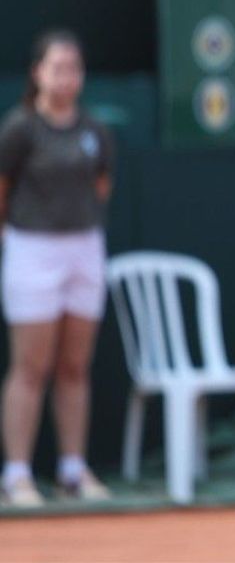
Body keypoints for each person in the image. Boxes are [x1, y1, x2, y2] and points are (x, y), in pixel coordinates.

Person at [0, 30, 114, 507]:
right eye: (57, 67)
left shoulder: (95, 130)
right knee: (30, 367)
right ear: (38, 73)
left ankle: (72, 469)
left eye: (74, 68)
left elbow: (102, 186)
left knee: (74, 367)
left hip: (84, 248)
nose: (67, 77)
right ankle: (17, 475)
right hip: (31, 249)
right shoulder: (21, 128)